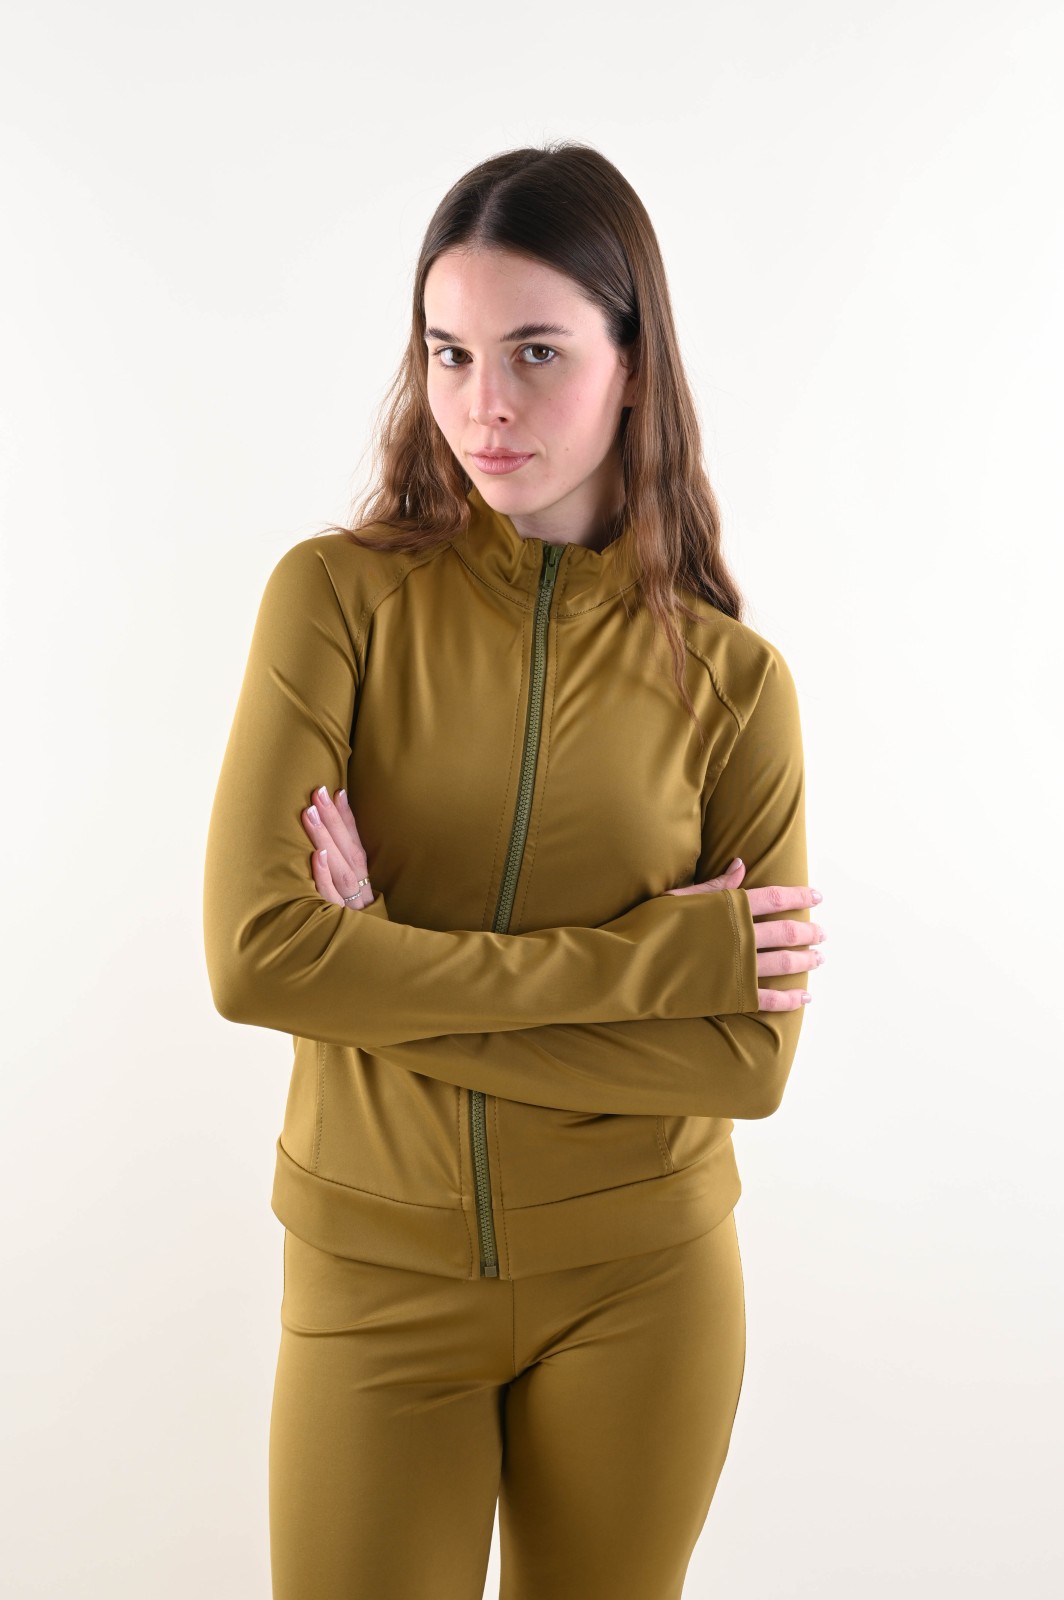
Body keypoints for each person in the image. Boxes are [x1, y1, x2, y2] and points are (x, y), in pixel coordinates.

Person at [203, 139, 825, 1600]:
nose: (485, 402)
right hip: (373, 1277)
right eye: (451, 352)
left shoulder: (737, 685)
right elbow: (256, 959)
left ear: (633, 363)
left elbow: (745, 1064)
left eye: (536, 352)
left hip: (646, 1287)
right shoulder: (334, 602)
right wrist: (654, 965)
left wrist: (379, 974)